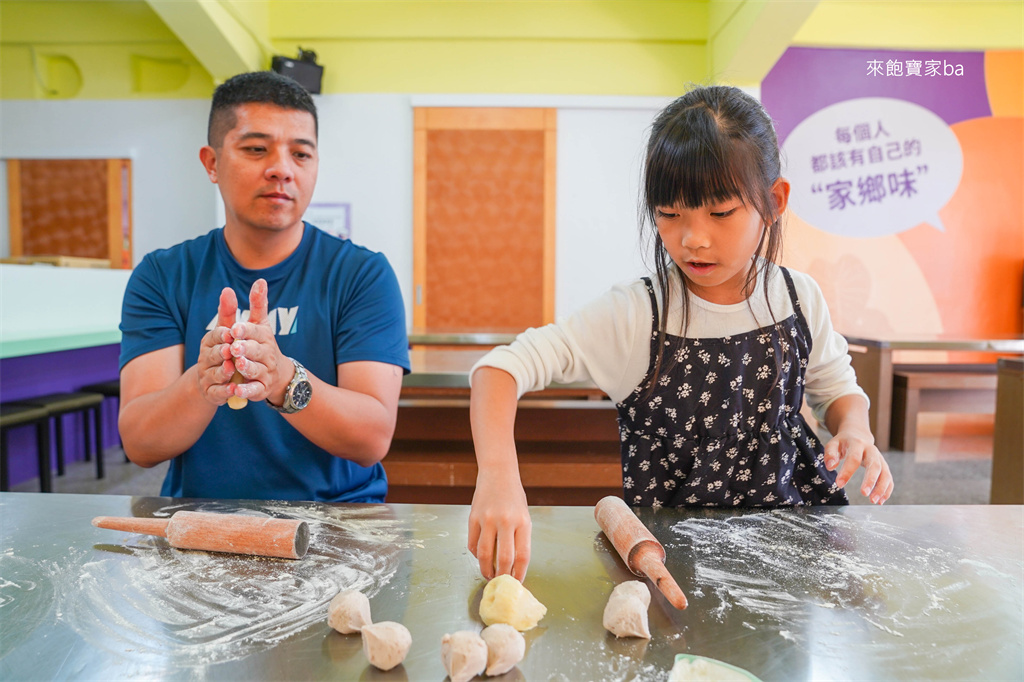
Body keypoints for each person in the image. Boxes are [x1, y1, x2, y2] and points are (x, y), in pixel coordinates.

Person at [467, 85, 893, 580]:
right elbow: (499, 370)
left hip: (792, 545)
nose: (693, 238)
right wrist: (498, 478)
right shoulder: (637, 314)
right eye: (670, 214)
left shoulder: (798, 297)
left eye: (720, 212)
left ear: (773, 200)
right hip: (674, 561)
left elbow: (837, 388)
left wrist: (853, 427)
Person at [118, 71, 410, 502]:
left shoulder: (362, 275)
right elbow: (142, 444)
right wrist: (205, 379)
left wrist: (281, 377)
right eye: (256, 149)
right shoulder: (162, 275)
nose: (281, 170)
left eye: (301, 155)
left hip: (339, 520)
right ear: (212, 163)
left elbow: (370, 439)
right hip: (204, 518)